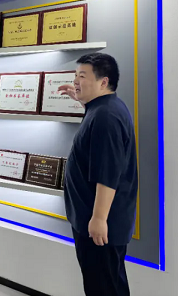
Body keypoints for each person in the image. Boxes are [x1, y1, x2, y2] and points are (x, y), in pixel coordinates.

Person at [58, 53, 138, 296]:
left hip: (100, 227)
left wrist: (99, 218)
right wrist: (81, 100)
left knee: (104, 288)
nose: (76, 81)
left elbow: (108, 173)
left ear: (103, 82)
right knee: (105, 283)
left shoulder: (106, 117)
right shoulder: (103, 107)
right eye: (76, 76)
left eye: (82, 76)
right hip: (95, 221)